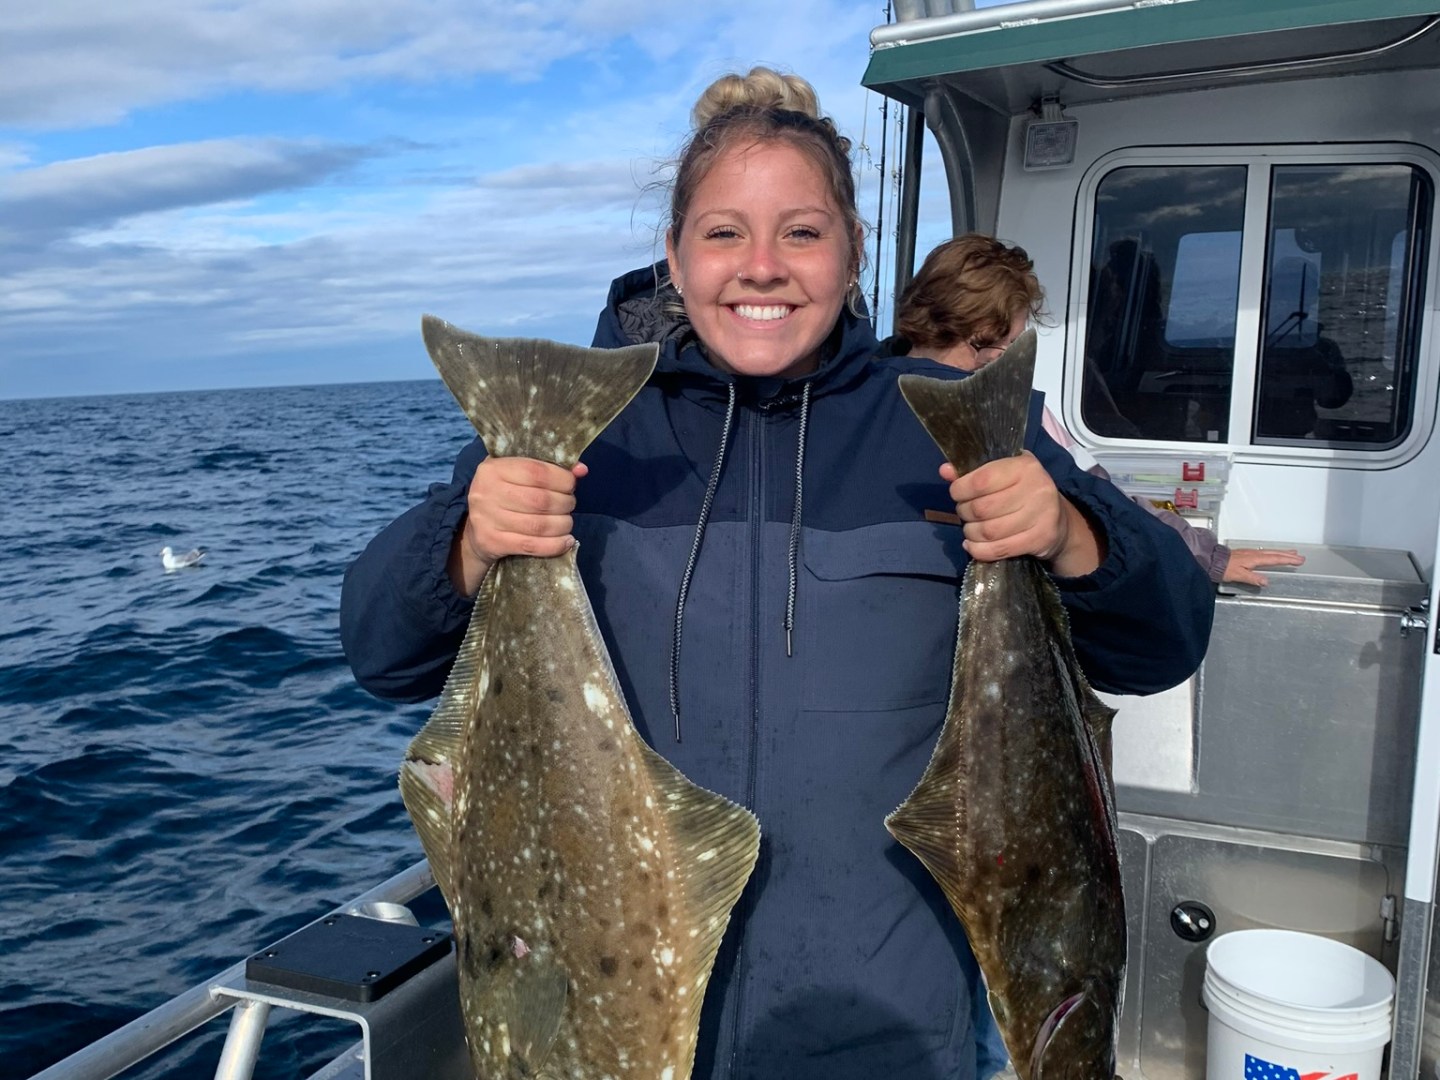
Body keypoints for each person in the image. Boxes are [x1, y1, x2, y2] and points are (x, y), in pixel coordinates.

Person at [341, 68, 1215, 1080]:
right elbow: (380, 653)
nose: (762, 267)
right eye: (723, 234)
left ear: (852, 255)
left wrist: (1072, 532)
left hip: (883, 1031)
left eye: (801, 232)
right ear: (674, 257)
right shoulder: (580, 443)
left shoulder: (953, 424)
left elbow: (1165, 643)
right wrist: (466, 543)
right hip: (619, 1024)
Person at [888, 233, 1306, 588]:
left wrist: (1206, 555)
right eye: (989, 344)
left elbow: (1104, 502)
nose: (999, 359)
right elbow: (1110, 503)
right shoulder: (1013, 416)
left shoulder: (848, 395)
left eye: (1011, 348)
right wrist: (1210, 558)